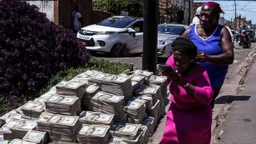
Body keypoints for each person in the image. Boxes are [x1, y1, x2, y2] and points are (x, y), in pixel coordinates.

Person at [160, 37, 214, 144]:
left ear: (191, 59)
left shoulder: (200, 72)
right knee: (169, 139)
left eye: (182, 61)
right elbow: (169, 65)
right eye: (176, 60)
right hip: (177, 112)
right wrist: (166, 73)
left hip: (198, 116)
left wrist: (183, 83)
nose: (177, 64)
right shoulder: (174, 61)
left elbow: (208, 96)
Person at [181, 1, 234, 108]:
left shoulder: (222, 31)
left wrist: (208, 58)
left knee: (206, 105)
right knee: (189, 105)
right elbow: (176, 50)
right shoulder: (190, 31)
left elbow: (229, 57)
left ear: (216, 17)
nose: (203, 18)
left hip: (213, 79)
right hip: (192, 78)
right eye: (201, 15)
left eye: (207, 16)